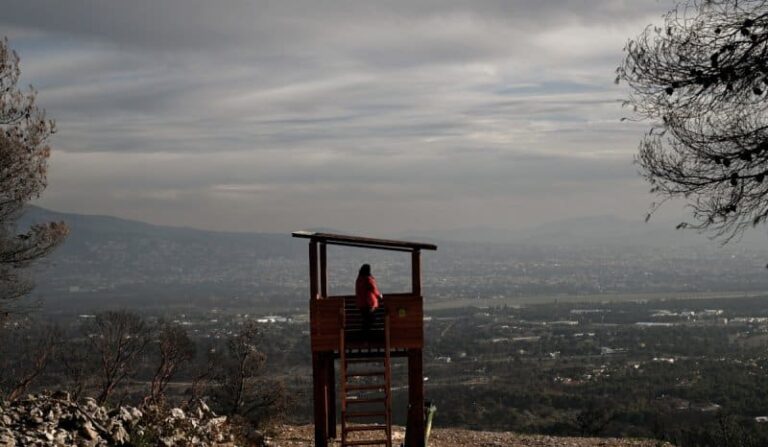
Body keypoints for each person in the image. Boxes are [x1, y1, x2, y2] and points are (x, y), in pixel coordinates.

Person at [355, 263, 382, 338]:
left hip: (361, 304)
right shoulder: (368, 278)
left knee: (366, 320)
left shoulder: (359, 279)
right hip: (369, 303)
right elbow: (374, 289)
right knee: (371, 320)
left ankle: (365, 337)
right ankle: (367, 337)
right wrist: (379, 295)